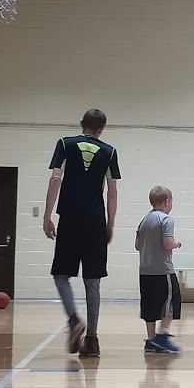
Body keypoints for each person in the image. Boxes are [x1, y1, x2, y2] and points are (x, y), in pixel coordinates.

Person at [43, 109, 120, 357]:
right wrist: (110, 224)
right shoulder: (109, 151)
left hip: (70, 217)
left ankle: (74, 319)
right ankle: (93, 340)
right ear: (101, 129)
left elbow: (56, 179)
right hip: (96, 219)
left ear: (81, 125)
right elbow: (112, 192)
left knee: (61, 275)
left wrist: (47, 216)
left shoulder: (65, 144)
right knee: (93, 282)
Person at [136, 186, 182, 354]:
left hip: (145, 271)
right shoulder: (166, 219)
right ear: (167, 201)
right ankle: (162, 336)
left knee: (149, 306)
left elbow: (137, 245)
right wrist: (177, 243)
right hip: (163, 271)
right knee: (171, 302)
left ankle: (151, 340)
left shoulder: (144, 220)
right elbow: (167, 243)